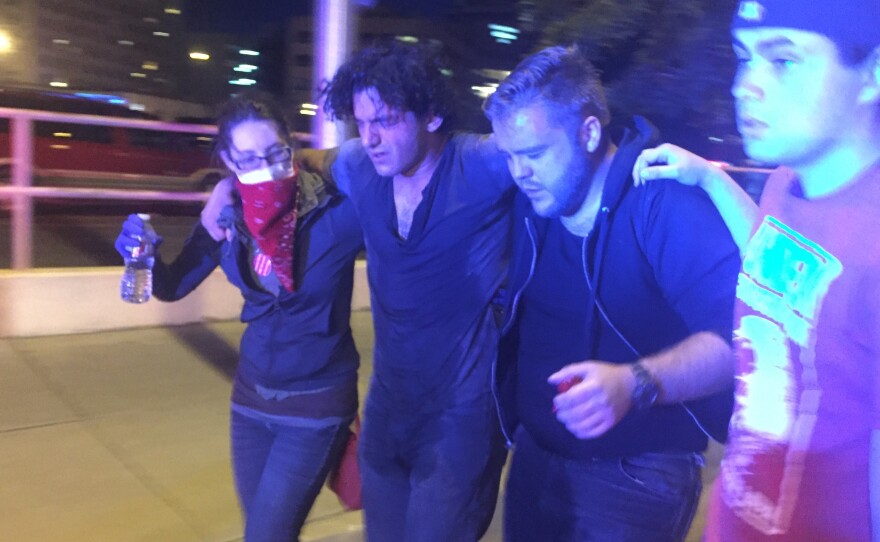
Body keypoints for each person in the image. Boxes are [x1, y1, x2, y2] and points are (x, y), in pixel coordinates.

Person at [202, 41, 512, 541]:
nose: (371, 137)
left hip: (462, 413)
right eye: (361, 122)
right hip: (388, 408)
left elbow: (563, 146)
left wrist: (671, 162)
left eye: (385, 120)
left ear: (431, 114)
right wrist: (228, 186)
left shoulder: (481, 163)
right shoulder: (362, 167)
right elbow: (305, 157)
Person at [633, 1, 880, 539]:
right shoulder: (789, 181)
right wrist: (710, 179)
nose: (745, 85)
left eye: (784, 60)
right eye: (746, 58)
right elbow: (782, 276)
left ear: (873, 73)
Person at [483, 45, 741, 541]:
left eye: (534, 154)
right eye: (510, 156)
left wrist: (634, 383)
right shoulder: (535, 203)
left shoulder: (662, 205)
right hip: (536, 458)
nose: (520, 172)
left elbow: (742, 339)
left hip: (639, 473)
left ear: (589, 132)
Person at [115, 91, 364, 541]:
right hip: (250, 401)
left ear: (292, 147)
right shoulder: (226, 217)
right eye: (247, 159)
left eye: (275, 154)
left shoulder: (337, 210)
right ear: (227, 160)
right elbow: (173, 287)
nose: (265, 168)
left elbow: (372, 159)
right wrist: (144, 255)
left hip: (316, 404)